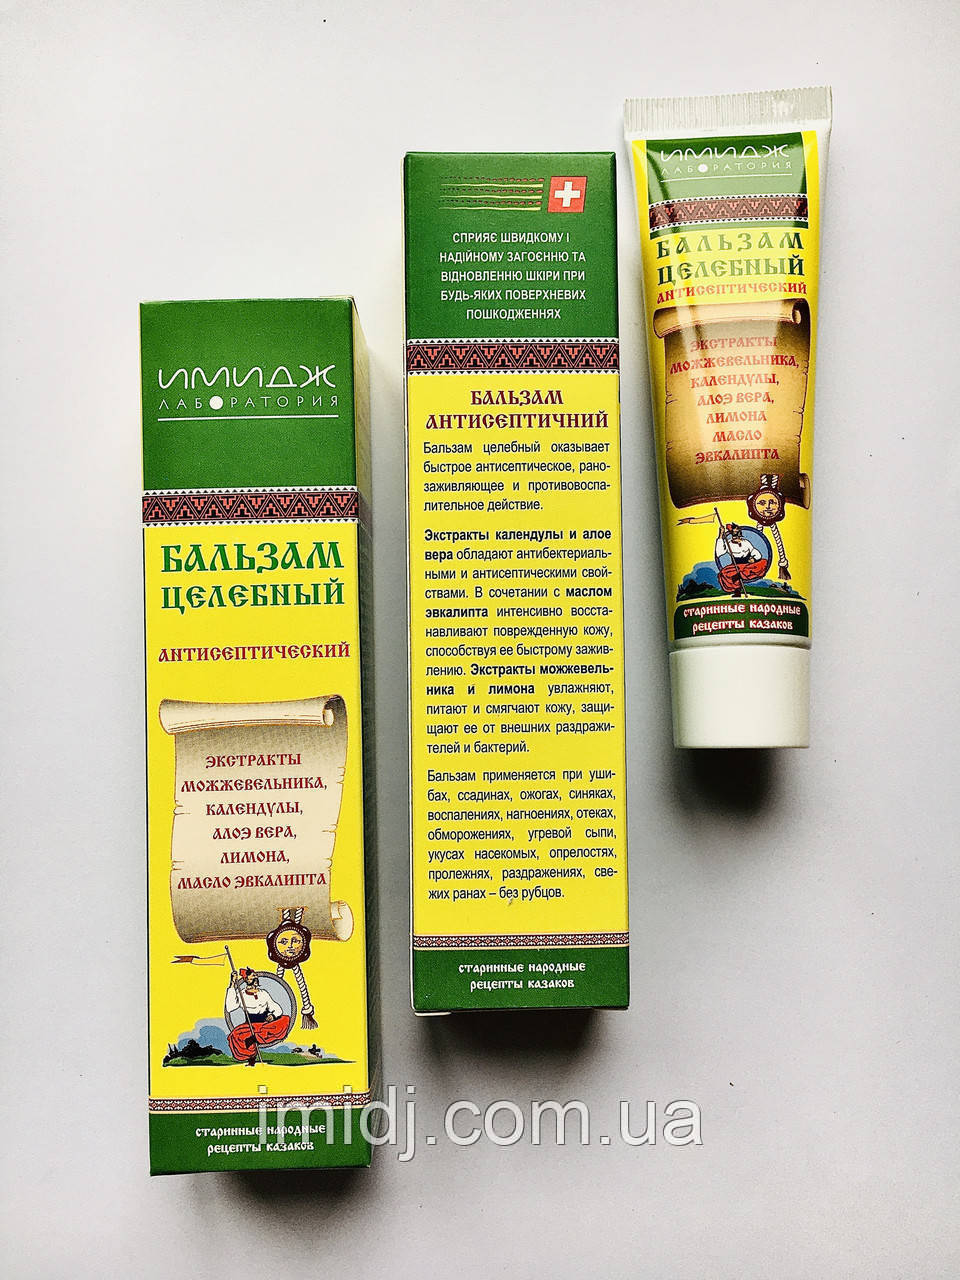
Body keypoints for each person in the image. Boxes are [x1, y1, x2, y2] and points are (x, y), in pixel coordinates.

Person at [225, 968, 290, 1065]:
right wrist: (232, 983)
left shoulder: (263, 993)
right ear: (246, 979)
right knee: (236, 1036)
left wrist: (273, 1016)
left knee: (284, 1020)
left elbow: (277, 1008)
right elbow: (229, 1007)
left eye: (255, 975)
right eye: (252, 976)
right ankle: (251, 1055)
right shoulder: (242, 994)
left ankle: (254, 1038)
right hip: (249, 1025)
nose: (255, 977)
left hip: (265, 1025)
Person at [714, 523, 770, 595]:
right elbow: (719, 553)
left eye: (738, 534)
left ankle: (739, 576)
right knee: (724, 574)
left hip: (748, 565)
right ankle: (737, 589)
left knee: (763, 562)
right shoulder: (728, 543)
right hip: (735, 566)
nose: (737, 537)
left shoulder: (746, 543)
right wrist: (721, 535)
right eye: (734, 534)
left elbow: (755, 552)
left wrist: (754, 559)